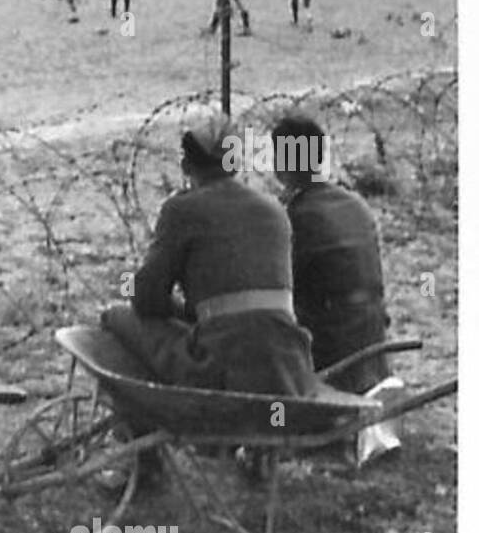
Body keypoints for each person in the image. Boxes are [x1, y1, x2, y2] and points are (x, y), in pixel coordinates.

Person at [101, 115, 316, 398]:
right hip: (289, 366)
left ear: (186, 166)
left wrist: (126, 283)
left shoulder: (182, 210)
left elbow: (148, 297)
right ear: (235, 162)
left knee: (116, 317)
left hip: (220, 365)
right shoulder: (274, 210)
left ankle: (141, 420)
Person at [271, 114, 390, 394]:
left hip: (331, 352)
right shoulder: (355, 204)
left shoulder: (294, 218)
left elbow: (276, 289)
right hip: (373, 343)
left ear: (281, 165)